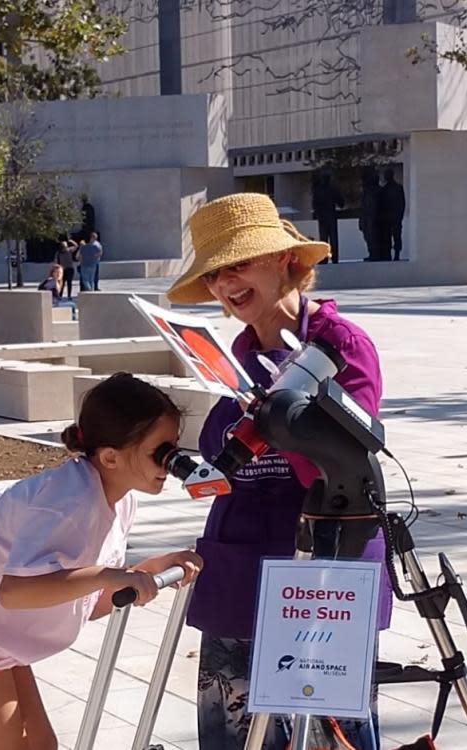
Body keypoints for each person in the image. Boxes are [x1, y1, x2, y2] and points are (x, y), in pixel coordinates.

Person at [166, 193, 391, 750]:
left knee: (329, 733)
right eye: (214, 274)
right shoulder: (236, 352)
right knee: (232, 729)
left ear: (285, 259)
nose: (225, 283)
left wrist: (277, 417)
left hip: (320, 570)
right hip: (240, 566)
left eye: (238, 264)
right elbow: (221, 451)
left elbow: (343, 462)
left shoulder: (340, 345)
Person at [0, 373, 203, 750]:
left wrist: (150, 569)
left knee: (41, 745)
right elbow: (16, 592)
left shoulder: (118, 501)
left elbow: (85, 601)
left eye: (174, 448)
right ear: (110, 457)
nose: (172, 463)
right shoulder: (68, 503)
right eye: (161, 451)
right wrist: (108, 575)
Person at [311, 168, 346, 263]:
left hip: (323, 217)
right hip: (331, 216)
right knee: (333, 238)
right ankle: (334, 258)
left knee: (324, 238)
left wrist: (318, 214)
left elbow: (314, 205)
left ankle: (325, 258)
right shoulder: (333, 189)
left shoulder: (318, 190)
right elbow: (341, 203)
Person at [378, 168, 406, 261]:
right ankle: (391, 254)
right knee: (390, 236)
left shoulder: (393, 188)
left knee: (394, 236)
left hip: (393, 217)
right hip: (390, 217)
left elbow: (402, 203)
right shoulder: (386, 189)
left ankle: (395, 254)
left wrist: (400, 215)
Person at [359, 167, 381, 261]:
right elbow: (363, 207)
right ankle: (372, 253)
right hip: (366, 217)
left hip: (373, 217)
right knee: (368, 236)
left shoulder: (375, 191)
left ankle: (375, 254)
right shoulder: (366, 192)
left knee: (373, 236)